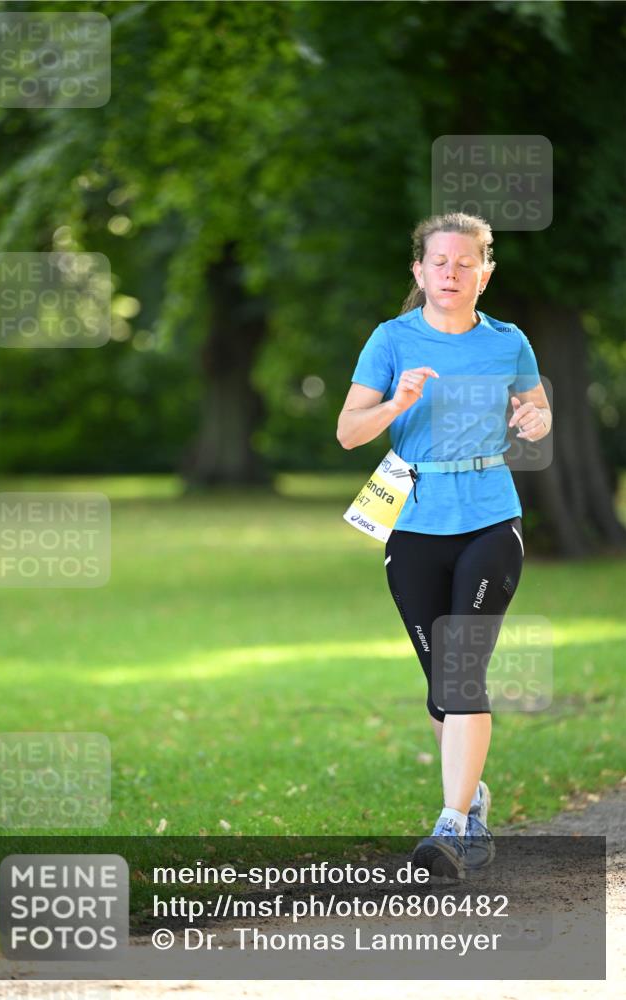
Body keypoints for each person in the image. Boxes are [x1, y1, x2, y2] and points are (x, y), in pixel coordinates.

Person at [336, 212, 552, 879]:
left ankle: (452, 825)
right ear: (418, 271)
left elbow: (535, 411)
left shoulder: (507, 341)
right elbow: (348, 432)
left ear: (484, 272)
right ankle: (473, 796)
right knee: (442, 688)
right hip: (413, 520)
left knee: (461, 674)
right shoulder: (389, 340)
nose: (451, 273)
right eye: (439, 262)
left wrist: (537, 416)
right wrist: (397, 403)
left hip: (489, 517)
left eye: (466, 263)